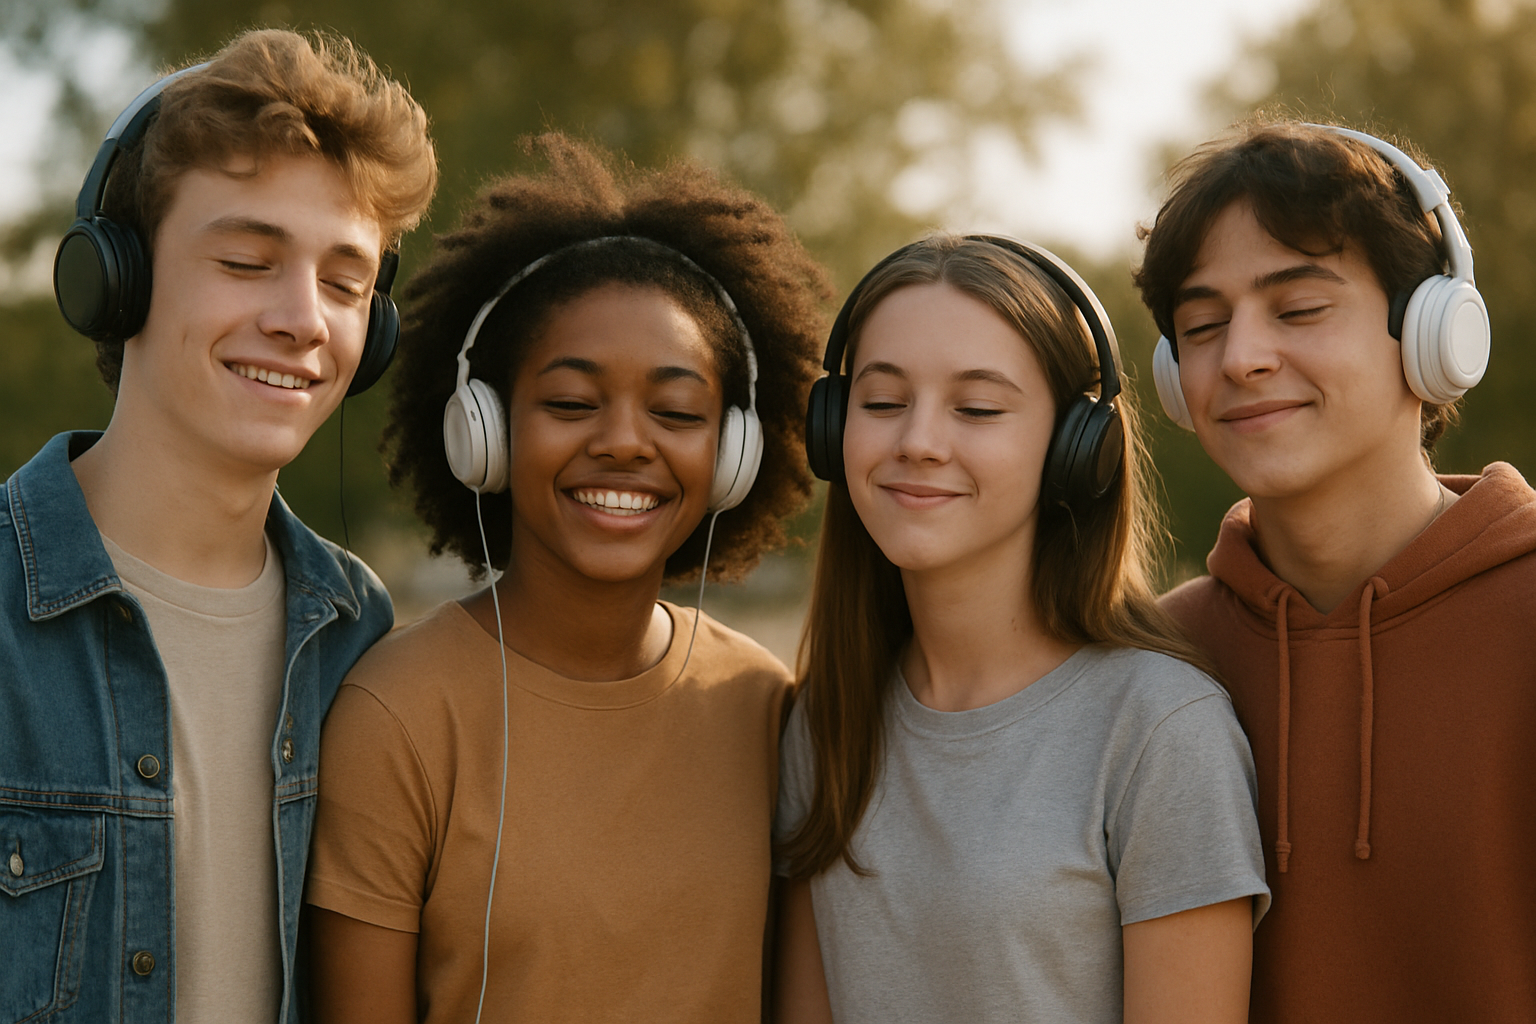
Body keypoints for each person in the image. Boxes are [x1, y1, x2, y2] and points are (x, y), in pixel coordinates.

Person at [303, 132, 829, 1024]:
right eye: (572, 403)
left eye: (675, 411)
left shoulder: (764, 706)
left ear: (733, 452)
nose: (625, 441)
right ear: (487, 431)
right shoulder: (398, 714)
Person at [0, 28, 435, 1024]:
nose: (303, 319)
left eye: (345, 282)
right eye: (248, 259)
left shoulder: (359, 636)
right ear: (118, 276)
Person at [773, 234, 1269, 1024]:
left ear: (1077, 450)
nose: (919, 442)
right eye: (881, 402)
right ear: (833, 429)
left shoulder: (1159, 730)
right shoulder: (824, 719)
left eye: (977, 408)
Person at [1135, 119, 1536, 1021]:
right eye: (1202, 325)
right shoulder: (1155, 661)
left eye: (1299, 309)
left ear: (1435, 330)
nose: (1241, 357)